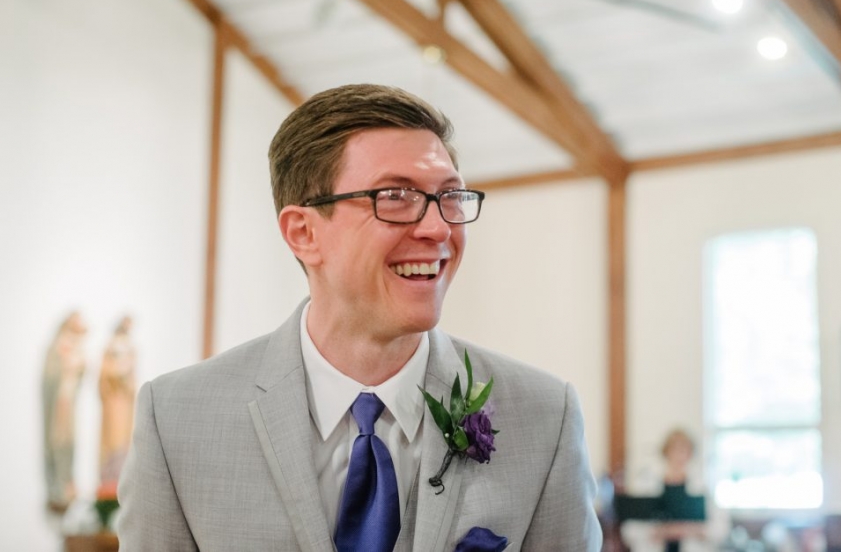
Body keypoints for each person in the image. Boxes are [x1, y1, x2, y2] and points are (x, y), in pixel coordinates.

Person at [117, 84, 601, 551]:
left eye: (450, 197)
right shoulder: (178, 419)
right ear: (304, 232)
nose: (437, 227)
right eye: (395, 197)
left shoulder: (543, 417)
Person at [620, 429, 729, 552]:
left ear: (690, 454)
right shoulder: (646, 486)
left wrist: (691, 530)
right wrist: (660, 531)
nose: (679, 455)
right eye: (674, 450)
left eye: (684, 450)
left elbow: (721, 529)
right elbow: (629, 529)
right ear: (666, 452)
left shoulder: (702, 488)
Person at [42, 310, 88, 513]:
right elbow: (53, 373)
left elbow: (81, 368)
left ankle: (67, 482)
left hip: (69, 401)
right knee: (59, 441)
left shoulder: (74, 345)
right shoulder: (60, 345)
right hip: (60, 401)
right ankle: (59, 485)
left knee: (69, 442)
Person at [96, 315, 137, 501]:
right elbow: (106, 372)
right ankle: (109, 479)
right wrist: (119, 373)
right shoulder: (112, 346)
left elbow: (132, 375)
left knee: (123, 442)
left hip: (125, 402)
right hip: (113, 400)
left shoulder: (130, 347)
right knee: (112, 441)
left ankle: (120, 478)